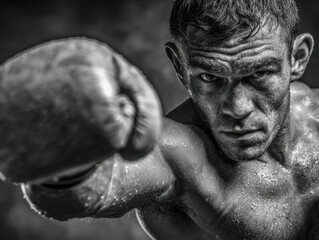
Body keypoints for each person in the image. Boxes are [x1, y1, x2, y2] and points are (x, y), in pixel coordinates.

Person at [0, 0, 318, 239]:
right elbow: (97, 188)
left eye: (259, 73)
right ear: (180, 67)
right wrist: (60, 164)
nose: (238, 107)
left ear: (298, 57)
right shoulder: (174, 153)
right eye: (210, 76)